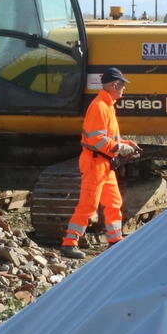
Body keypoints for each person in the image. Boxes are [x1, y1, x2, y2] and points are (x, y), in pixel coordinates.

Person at [61, 67, 139, 259]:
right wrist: (119, 148)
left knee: (114, 202)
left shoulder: (107, 105)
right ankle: (69, 243)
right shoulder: (100, 107)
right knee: (88, 205)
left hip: (105, 164)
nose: (123, 90)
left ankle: (115, 240)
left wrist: (124, 143)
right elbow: (97, 141)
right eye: (121, 85)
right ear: (114, 85)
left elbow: (105, 137)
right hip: (96, 163)